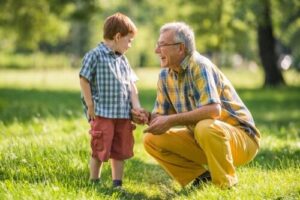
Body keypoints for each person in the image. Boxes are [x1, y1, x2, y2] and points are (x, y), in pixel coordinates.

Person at [132, 22, 261, 189]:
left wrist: (170, 120)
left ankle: (226, 186)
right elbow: (161, 118)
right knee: (151, 139)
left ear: (180, 48)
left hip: (242, 140)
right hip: (204, 139)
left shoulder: (199, 65)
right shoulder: (165, 75)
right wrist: (147, 117)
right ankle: (201, 178)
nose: (157, 51)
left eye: (162, 45)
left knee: (205, 126)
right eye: (158, 45)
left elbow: (213, 110)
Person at [79, 12, 145, 188]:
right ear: (117, 37)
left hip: (122, 115)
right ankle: (94, 181)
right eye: (129, 40)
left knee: (120, 150)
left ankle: (117, 184)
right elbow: (84, 79)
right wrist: (90, 105)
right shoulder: (95, 55)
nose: (130, 45)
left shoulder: (123, 60)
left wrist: (136, 107)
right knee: (100, 148)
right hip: (102, 113)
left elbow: (132, 85)